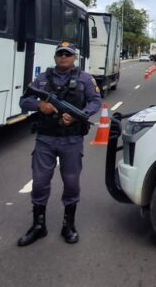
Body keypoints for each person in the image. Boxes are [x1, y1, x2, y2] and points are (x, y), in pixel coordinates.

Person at [17, 41, 102, 246]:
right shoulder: (43, 79)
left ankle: (68, 225)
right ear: (55, 57)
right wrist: (40, 105)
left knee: (71, 183)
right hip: (45, 139)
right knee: (39, 182)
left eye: (68, 54)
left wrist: (79, 116)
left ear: (75, 57)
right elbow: (24, 101)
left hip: (71, 140)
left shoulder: (85, 79)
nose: (63, 57)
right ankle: (39, 225)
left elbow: (96, 101)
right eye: (60, 54)